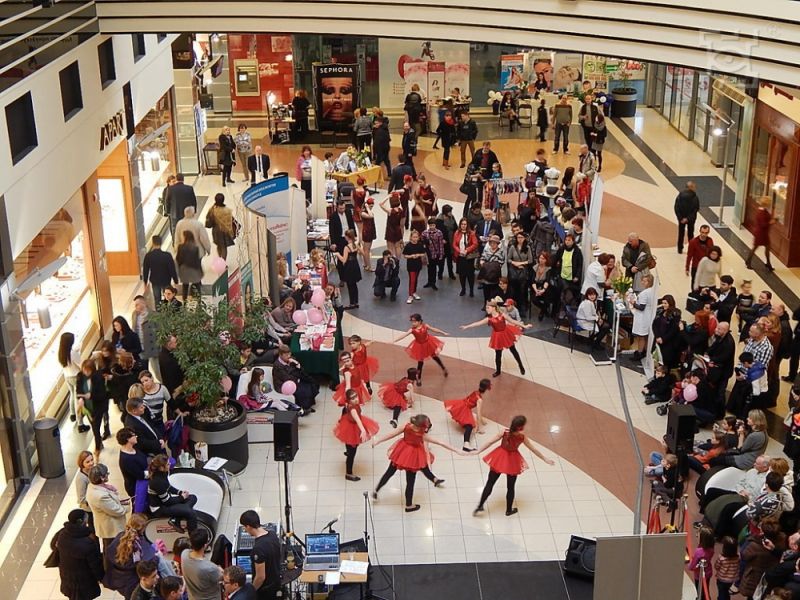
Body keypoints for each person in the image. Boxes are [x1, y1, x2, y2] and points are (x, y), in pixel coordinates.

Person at [372, 414, 459, 512]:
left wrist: (378, 441)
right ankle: (409, 505)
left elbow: (392, 434)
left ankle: (376, 490)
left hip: (401, 452)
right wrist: (456, 450)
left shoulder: (406, 426)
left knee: (389, 473)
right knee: (410, 482)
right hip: (413, 458)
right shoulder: (422, 434)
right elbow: (440, 442)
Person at [474, 415, 555, 516]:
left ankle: (480, 506)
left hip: (499, 457)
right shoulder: (522, 437)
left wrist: (478, 451)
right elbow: (533, 449)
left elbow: (490, 442)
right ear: (522, 426)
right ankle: (508, 510)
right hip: (513, 461)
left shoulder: (504, 432)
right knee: (511, 487)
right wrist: (545, 459)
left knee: (490, 483)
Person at [461, 299, 528, 377]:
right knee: (498, 354)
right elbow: (478, 323)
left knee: (513, 350)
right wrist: (467, 326)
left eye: (488, 308)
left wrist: (524, 326)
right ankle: (498, 371)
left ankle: (520, 365)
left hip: (505, 334)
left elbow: (513, 321)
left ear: (493, 308)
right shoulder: (489, 319)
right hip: (497, 336)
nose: (486, 310)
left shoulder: (502, 315)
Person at [54, 509, 104, 600]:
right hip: (84, 579)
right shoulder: (87, 543)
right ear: (82, 521)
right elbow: (95, 565)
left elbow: (53, 545)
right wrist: (102, 577)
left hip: (67, 575)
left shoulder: (62, 534)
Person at [334, 388, 380, 481]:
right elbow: (358, 420)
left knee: (350, 445)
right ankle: (349, 473)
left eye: (356, 396)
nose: (356, 399)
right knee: (352, 453)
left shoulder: (348, 404)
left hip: (349, 426)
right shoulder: (353, 409)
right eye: (353, 398)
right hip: (352, 428)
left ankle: (348, 451)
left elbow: (344, 411)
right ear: (348, 400)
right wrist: (363, 430)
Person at [148, 454, 198, 532]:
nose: (170, 464)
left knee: (193, 497)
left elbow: (168, 487)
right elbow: (167, 501)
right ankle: (193, 536)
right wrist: (182, 497)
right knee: (190, 513)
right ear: (161, 468)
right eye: (167, 464)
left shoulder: (163, 473)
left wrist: (180, 492)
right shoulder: (157, 482)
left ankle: (175, 519)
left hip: (165, 503)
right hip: (159, 508)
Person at [395, 314, 449, 385]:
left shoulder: (425, 326)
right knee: (420, 363)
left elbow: (434, 329)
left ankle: (443, 368)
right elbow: (403, 335)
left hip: (428, 343)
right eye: (412, 322)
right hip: (419, 346)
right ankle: (419, 378)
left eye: (414, 322)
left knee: (435, 357)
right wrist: (394, 341)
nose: (413, 323)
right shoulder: (412, 330)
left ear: (419, 321)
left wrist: (443, 332)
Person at [239, 510, 282, 600]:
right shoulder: (273, 535)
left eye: (244, 527)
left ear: (248, 526)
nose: (245, 530)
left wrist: (251, 592)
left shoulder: (258, 549)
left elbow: (260, 577)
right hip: (276, 584)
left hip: (265, 592)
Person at [85, 464, 128, 548]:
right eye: (107, 474)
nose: (108, 475)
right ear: (102, 478)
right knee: (113, 551)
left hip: (105, 526)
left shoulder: (92, 487)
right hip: (111, 529)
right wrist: (127, 506)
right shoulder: (101, 496)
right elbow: (118, 511)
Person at [445, 379, 490, 452]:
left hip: (461, 404)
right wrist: (479, 427)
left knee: (466, 420)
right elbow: (478, 413)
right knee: (470, 426)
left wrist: (481, 420)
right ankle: (466, 445)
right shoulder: (480, 400)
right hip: (465, 409)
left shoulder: (475, 392)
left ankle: (464, 426)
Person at [77, 359, 110, 454]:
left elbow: (102, 394)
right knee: (93, 425)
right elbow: (78, 390)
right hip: (87, 407)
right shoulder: (80, 377)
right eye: (84, 370)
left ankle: (97, 447)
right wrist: (80, 399)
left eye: (88, 370)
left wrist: (91, 396)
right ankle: (99, 443)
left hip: (98, 406)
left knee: (95, 427)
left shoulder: (98, 377)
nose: (86, 372)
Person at [271, 345, 319, 411]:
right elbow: (286, 378)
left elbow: (300, 371)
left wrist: (297, 364)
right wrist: (298, 377)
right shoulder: (277, 366)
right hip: (283, 385)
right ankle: (304, 407)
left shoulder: (292, 360)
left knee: (312, 382)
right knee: (304, 390)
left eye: (289, 354)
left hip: (294, 380)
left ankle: (309, 404)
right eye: (286, 355)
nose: (288, 356)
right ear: (281, 355)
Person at [182, 528, 223, 600]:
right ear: (205, 545)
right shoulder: (210, 568)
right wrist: (219, 569)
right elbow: (223, 577)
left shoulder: (184, 554)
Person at [59, 331, 86, 430]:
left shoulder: (61, 353)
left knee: (72, 395)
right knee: (78, 398)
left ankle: (72, 414)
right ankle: (80, 423)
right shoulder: (73, 353)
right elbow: (81, 365)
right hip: (76, 376)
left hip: (67, 376)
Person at [142, 235, 179, 305]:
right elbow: (172, 269)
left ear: (153, 243)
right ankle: (168, 311)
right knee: (168, 298)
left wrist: (145, 283)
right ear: (161, 243)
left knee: (157, 299)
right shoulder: (167, 255)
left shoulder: (148, 256)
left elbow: (145, 270)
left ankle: (158, 313)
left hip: (155, 281)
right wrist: (175, 281)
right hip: (166, 280)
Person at [164, 173, 197, 245]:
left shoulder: (170, 189)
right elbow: (193, 201)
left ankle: (175, 243)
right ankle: (187, 243)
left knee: (175, 229)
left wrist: (168, 211)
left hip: (174, 213)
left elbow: (167, 201)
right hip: (186, 214)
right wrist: (194, 211)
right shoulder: (189, 188)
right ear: (183, 179)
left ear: (176, 179)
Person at [333, 229, 362, 310]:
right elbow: (362, 252)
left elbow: (344, 260)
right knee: (354, 285)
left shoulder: (346, 247)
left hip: (349, 267)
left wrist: (338, 255)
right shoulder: (355, 245)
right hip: (355, 265)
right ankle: (356, 302)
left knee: (350, 285)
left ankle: (352, 303)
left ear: (347, 237)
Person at [746, 196, 776, 272]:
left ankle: (767, 263)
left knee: (764, 247)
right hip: (761, 233)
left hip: (762, 233)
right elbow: (763, 224)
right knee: (758, 247)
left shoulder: (762, 211)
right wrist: (771, 222)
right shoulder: (762, 213)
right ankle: (749, 261)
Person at [506, 231, 533, 317]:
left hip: (523, 269)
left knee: (522, 289)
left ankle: (523, 308)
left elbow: (530, 260)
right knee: (513, 289)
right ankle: (513, 307)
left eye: (521, 238)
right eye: (518, 238)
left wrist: (521, 264)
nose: (519, 239)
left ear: (524, 238)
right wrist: (515, 263)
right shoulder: (513, 247)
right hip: (514, 269)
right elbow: (509, 259)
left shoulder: (527, 248)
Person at [116, 428, 148, 499]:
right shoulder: (126, 459)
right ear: (128, 439)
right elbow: (140, 475)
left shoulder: (133, 448)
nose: (136, 436)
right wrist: (154, 471)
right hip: (136, 487)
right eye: (134, 435)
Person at [629, 274, 655, 361]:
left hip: (643, 318)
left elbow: (641, 307)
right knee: (646, 336)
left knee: (641, 336)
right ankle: (645, 351)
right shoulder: (652, 291)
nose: (642, 282)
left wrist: (633, 303)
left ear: (649, 282)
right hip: (648, 316)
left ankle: (640, 352)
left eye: (645, 281)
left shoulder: (644, 293)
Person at [205, 193, 237, 260]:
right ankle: (223, 263)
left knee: (219, 246)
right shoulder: (227, 210)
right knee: (224, 247)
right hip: (225, 232)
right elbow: (232, 220)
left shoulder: (212, 210)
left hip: (216, 232)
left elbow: (209, 224)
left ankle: (220, 260)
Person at [175, 229, 204, 302]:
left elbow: (178, 259)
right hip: (194, 269)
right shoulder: (195, 248)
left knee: (185, 286)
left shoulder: (181, 247)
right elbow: (197, 261)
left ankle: (184, 302)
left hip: (184, 269)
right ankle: (199, 302)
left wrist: (178, 269)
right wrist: (200, 271)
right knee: (197, 286)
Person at [684, 224, 714, 289]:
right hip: (696, 266)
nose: (704, 234)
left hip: (706, 267)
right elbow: (689, 256)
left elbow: (712, 254)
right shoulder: (693, 242)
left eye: (706, 233)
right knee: (695, 283)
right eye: (702, 232)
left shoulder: (710, 241)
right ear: (700, 231)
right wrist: (687, 268)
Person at [674, 181, 700, 254]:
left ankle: (679, 248)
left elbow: (676, 207)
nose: (695, 188)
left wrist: (680, 218)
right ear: (690, 187)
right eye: (694, 187)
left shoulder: (680, 196)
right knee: (690, 233)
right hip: (691, 219)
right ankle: (691, 248)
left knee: (681, 233)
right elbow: (695, 209)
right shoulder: (695, 197)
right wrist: (688, 218)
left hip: (681, 219)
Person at [402, 229, 426, 304]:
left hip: (418, 265)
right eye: (414, 237)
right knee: (412, 280)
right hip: (411, 265)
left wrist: (418, 255)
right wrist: (411, 256)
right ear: (411, 237)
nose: (415, 238)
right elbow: (404, 255)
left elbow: (423, 253)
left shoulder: (420, 245)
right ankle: (410, 295)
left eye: (416, 237)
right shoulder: (408, 246)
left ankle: (414, 292)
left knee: (416, 279)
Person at [158, 335, 185, 399]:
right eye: (175, 342)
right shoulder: (166, 359)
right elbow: (170, 376)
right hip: (175, 388)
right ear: (169, 344)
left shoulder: (167, 354)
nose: (177, 344)